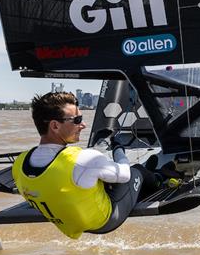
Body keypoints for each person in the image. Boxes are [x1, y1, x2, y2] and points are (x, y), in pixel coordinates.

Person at [11, 91, 149, 239]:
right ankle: (160, 178)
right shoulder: (83, 159)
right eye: (77, 120)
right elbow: (124, 174)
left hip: (71, 225)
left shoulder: (19, 162)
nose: (83, 125)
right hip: (103, 222)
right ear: (55, 126)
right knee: (137, 171)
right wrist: (118, 150)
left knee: (92, 176)